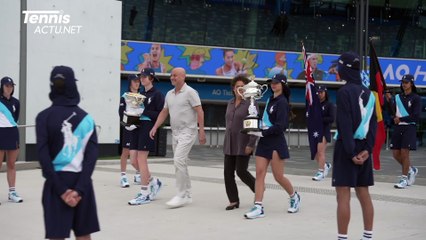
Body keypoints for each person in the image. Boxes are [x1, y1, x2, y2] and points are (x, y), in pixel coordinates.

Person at [35, 66, 100, 239]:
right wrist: (78, 190)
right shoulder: (87, 119)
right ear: (72, 85)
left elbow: (43, 157)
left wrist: (62, 191)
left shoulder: (43, 117)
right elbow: (91, 158)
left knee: (57, 236)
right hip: (82, 182)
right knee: (84, 235)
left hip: (55, 184)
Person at [332, 52, 377, 240]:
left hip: (346, 147)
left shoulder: (344, 92)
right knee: (364, 193)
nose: (336, 70)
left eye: (338, 67)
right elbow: (373, 126)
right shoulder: (369, 93)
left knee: (343, 196)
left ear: (346, 69)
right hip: (364, 148)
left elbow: (345, 124)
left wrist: (351, 153)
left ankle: (343, 237)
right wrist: (367, 150)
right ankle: (368, 236)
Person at [244, 73, 301, 219]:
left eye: (276, 82)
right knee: (259, 173)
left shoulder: (282, 102)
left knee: (278, 176)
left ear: (283, 85)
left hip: (276, 141)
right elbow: (266, 121)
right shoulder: (270, 99)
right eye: (271, 82)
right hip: (264, 140)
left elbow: (280, 126)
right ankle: (258, 206)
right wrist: (256, 126)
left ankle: (294, 196)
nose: (273, 85)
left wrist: (263, 133)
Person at [149, 67, 206, 208]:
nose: (172, 77)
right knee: (181, 163)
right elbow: (164, 112)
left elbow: (200, 111)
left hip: (188, 131)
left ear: (183, 77)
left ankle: (180, 195)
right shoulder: (169, 94)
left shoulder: (191, 92)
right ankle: (187, 194)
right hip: (175, 133)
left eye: (175, 75)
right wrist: (155, 126)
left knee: (178, 160)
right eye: (171, 75)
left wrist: (202, 131)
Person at [128, 68, 165, 205]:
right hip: (136, 127)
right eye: (140, 76)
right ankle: (154, 182)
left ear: (152, 78)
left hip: (148, 127)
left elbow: (161, 115)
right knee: (133, 160)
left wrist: (144, 110)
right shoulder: (140, 94)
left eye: (144, 76)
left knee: (141, 159)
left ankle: (145, 193)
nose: (141, 79)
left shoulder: (158, 95)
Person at [223, 75, 257, 211]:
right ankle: (233, 201)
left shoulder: (251, 104)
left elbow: (255, 125)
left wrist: (251, 144)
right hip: (229, 143)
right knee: (227, 173)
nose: (240, 89)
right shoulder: (230, 103)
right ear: (233, 88)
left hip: (244, 143)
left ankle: (258, 188)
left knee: (241, 171)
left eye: (242, 87)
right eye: (237, 87)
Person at [390, 74, 421, 189]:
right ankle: (411, 169)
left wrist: (401, 119)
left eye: (406, 82)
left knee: (404, 153)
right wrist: (389, 100)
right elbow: (393, 113)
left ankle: (404, 178)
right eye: (403, 82)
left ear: (411, 84)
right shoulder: (397, 97)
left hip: (409, 127)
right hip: (398, 127)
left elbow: (416, 116)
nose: (404, 84)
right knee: (395, 153)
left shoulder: (416, 98)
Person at [0, 76, 23, 203]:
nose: (9, 88)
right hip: (0, 133)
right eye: (7, 86)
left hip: (12, 133)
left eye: (11, 86)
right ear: (2, 87)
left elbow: (15, 118)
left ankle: (12, 192)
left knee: (11, 164)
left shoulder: (16, 102)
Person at [118, 74, 142, 188]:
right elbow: (121, 111)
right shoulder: (125, 96)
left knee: (137, 153)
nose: (137, 83)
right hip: (128, 127)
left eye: (138, 81)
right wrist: (126, 124)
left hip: (139, 127)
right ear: (130, 83)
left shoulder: (142, 96)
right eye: (135, 81)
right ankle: (123, 176)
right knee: (125, 152)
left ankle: (138, 174)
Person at [312, 85, 335, 181]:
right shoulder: (315, 104)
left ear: (325, 93)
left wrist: (320, 119)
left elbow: (332, 118)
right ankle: (325, 165)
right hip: (315, 131)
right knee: (314, 152)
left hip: (324, 130)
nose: (319, 94)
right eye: (318, 92)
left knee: (320, 151)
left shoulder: (329, 104)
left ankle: (321, 172)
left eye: (321, 92)